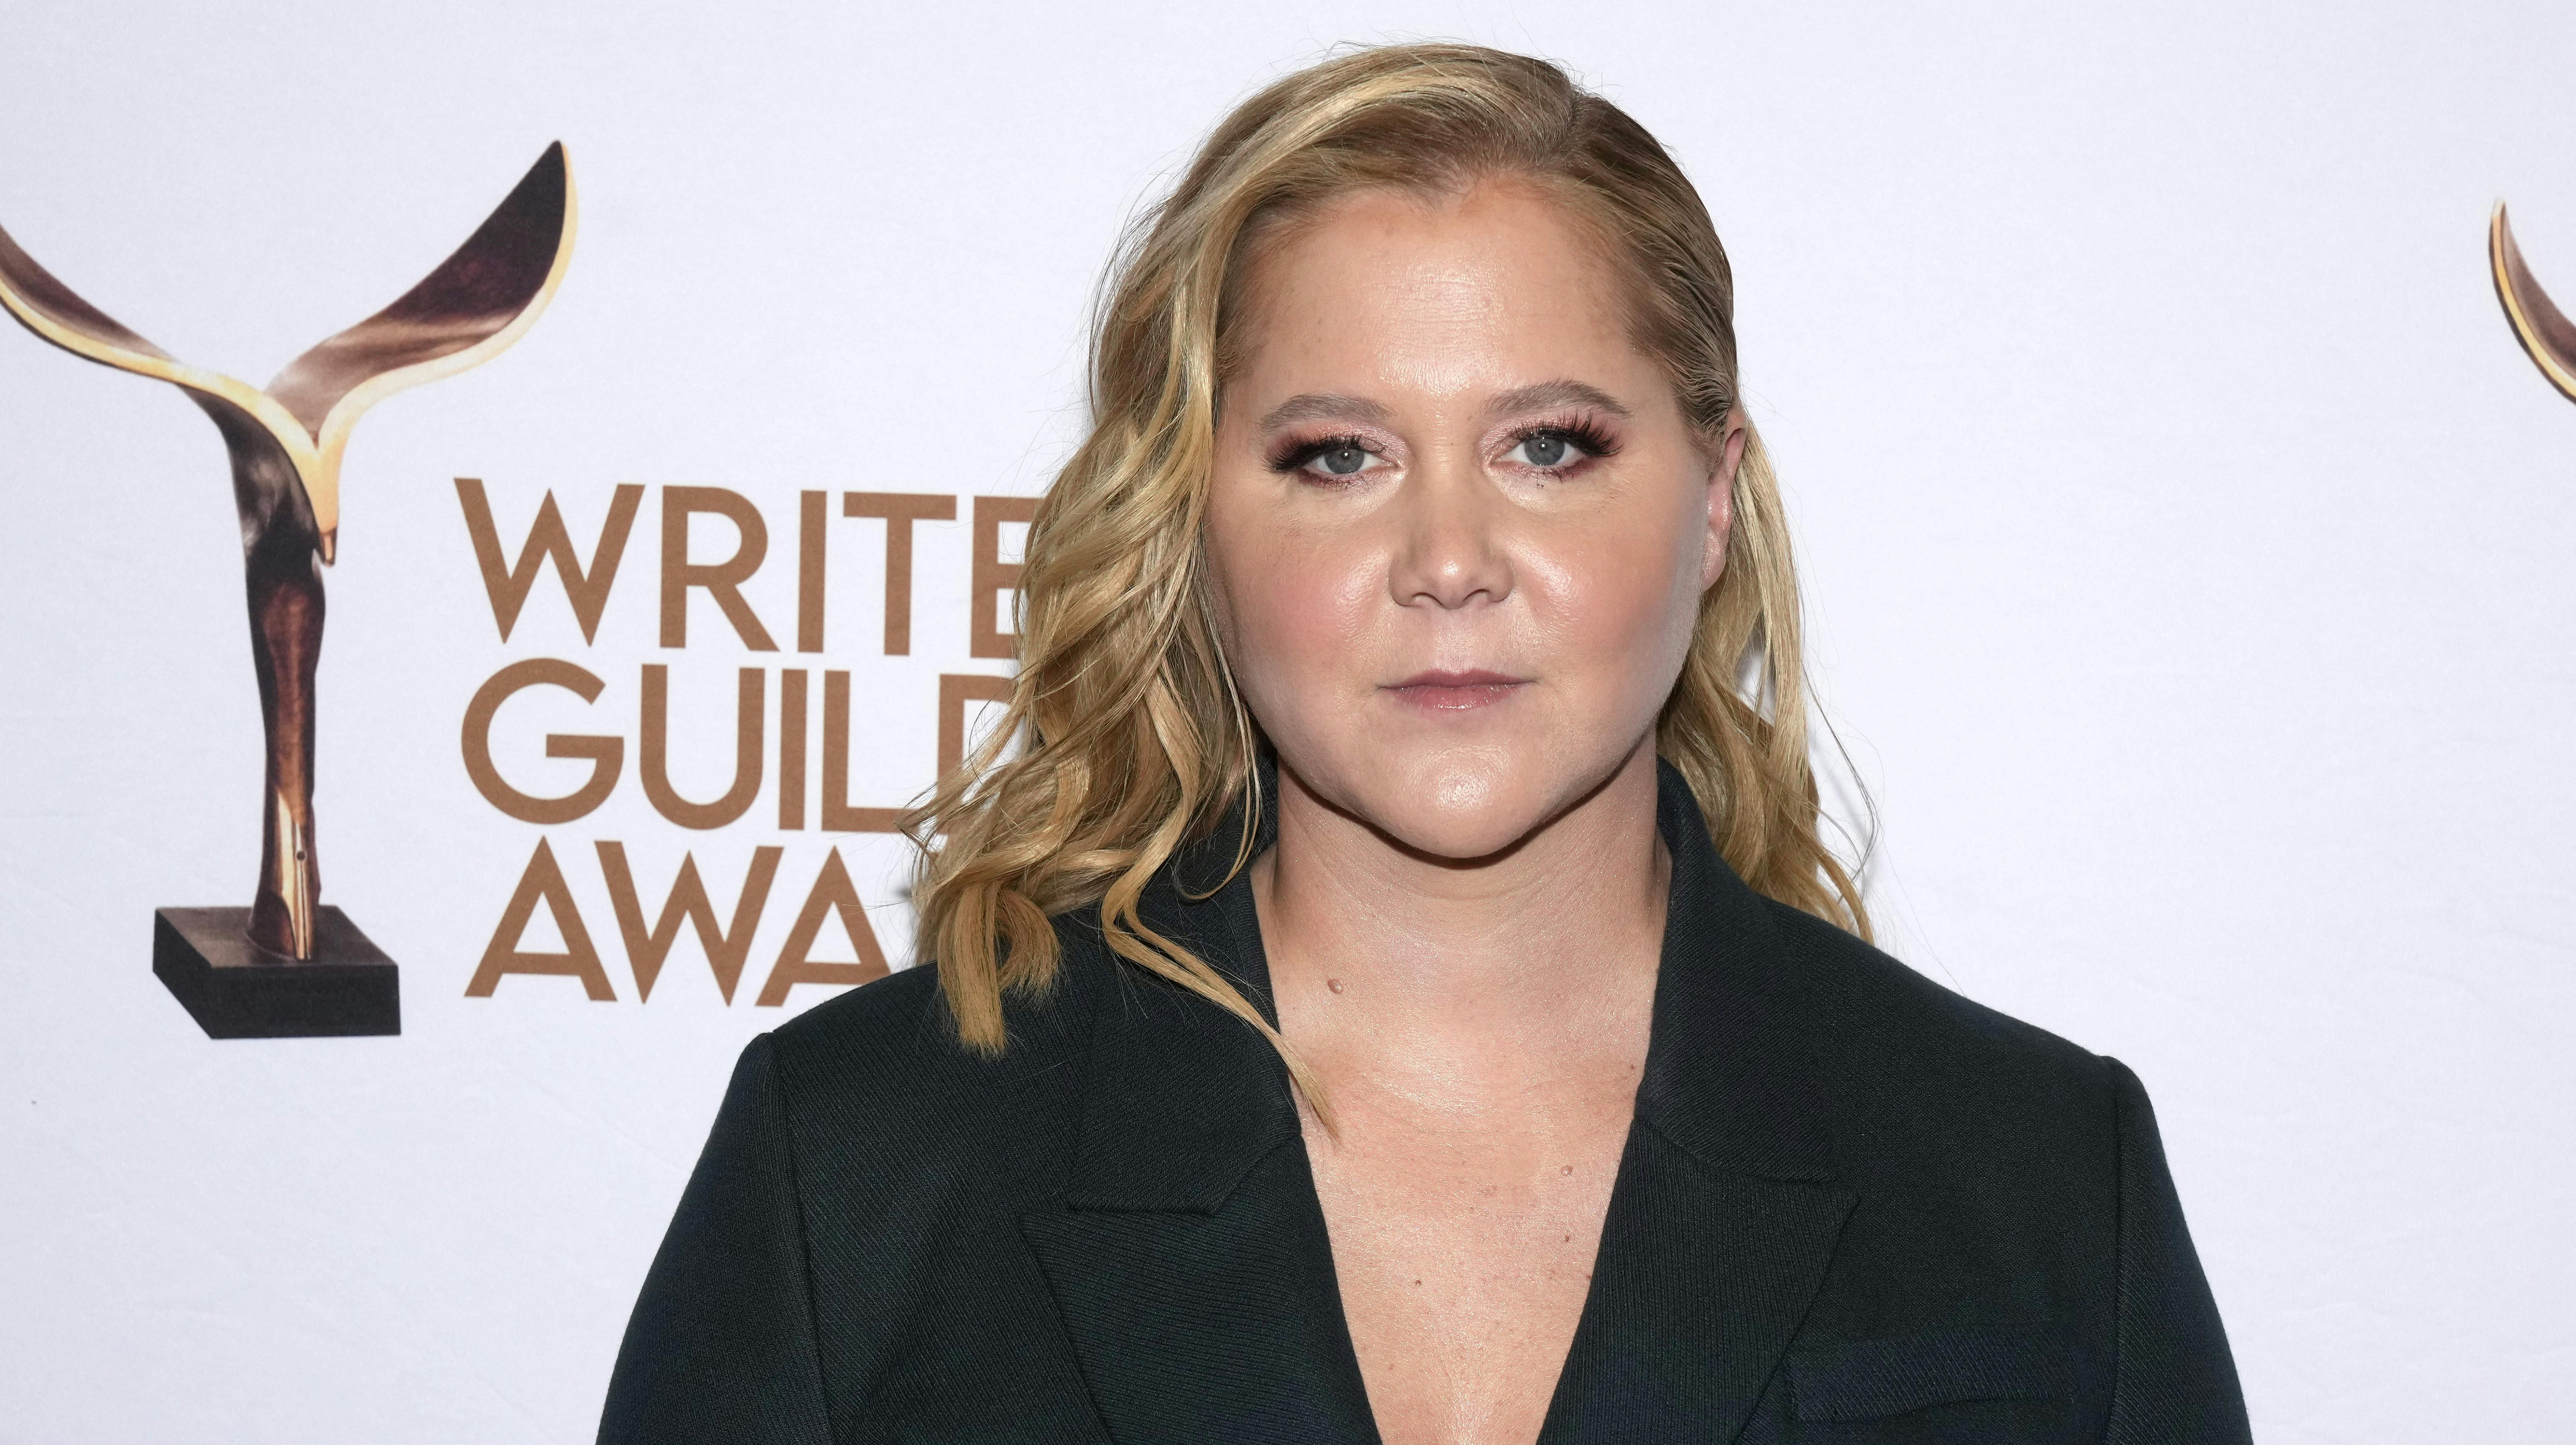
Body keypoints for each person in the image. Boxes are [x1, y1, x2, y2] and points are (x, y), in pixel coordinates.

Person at [596, 42, 2253, 1445]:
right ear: (1192, 521)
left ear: (1714, 498)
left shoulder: (2042, 1178)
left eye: (1549, 446)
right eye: (1338, 455)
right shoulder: (861, 1167)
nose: (1449, 559)